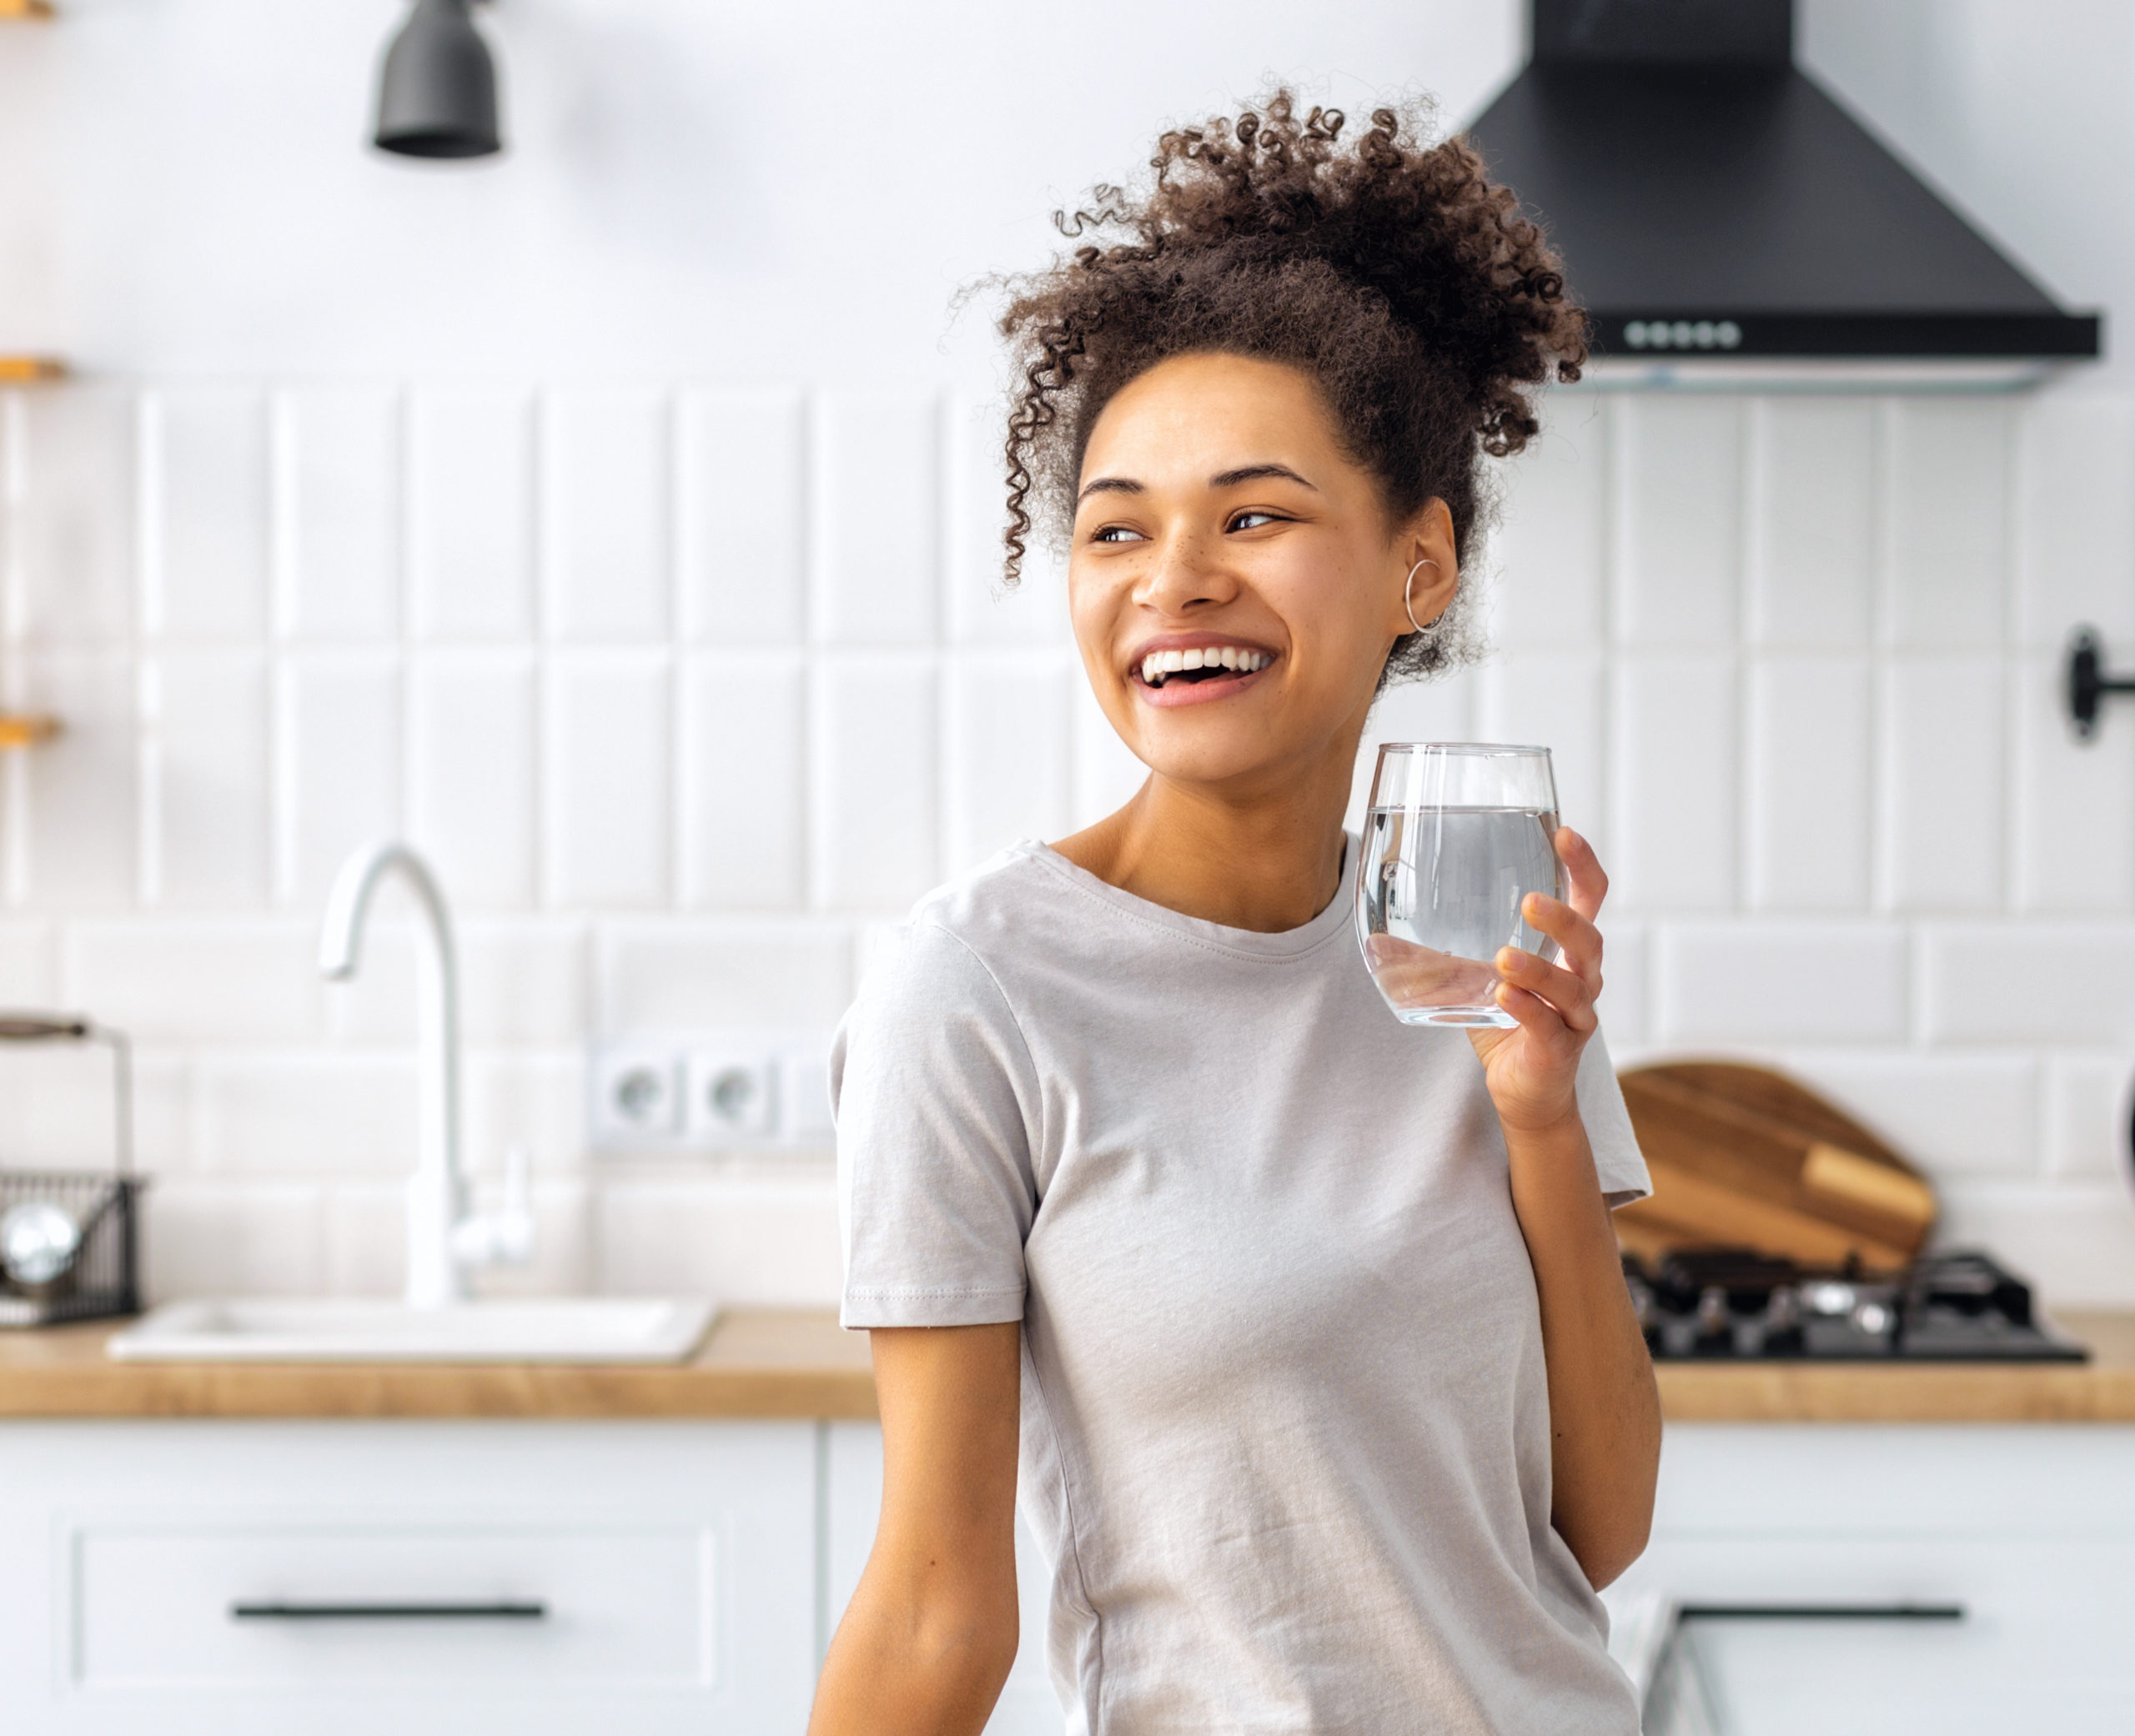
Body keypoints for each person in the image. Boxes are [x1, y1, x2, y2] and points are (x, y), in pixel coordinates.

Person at [808, 92, 1660, 1736]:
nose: (1171, 579)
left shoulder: (1476, 938)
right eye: (1113, 529)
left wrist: (1539, 1119)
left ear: (1418, 568)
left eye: (1251, 516)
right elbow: (932, 1604)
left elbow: (1594, 1533)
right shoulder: (972, 993)